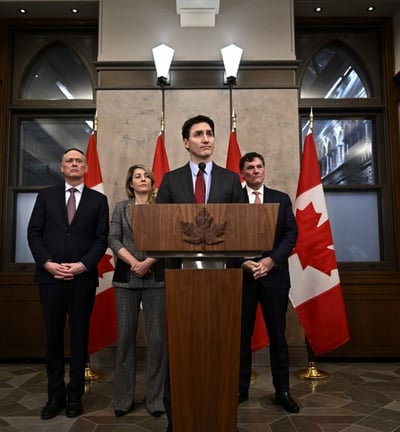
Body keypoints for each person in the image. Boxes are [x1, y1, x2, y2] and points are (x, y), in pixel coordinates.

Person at [156, 114, 244, 432]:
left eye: (210, 133)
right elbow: (160, 227)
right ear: (185, 142)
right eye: (198, 134)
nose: (206, 139)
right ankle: (176, 419)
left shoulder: (231, 180)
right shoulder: (170, 180)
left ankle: (220, 417)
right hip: (179, 279)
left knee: (220, 352)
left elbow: (243, 228)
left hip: (223, 281)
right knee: (179, 352)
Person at [27, 148, 109, 420]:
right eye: (69, 161)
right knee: (52, 337)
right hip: (49, 278)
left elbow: (101, 239)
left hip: (81, 279)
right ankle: (55, 397)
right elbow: (34, 233)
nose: (74, 164)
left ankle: (75, 397)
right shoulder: (46, 196)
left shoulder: (98, 200)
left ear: (86, 168)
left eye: (79, 161)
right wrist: (48, 264)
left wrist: (82, 265)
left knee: (79, 337)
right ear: (61, 168)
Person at [237, 151, 300, 413]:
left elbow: (290, 233)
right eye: (250, 167)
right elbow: (222, 233)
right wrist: (242, 260)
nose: (255, 171)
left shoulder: (280, 198)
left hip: (274, 276)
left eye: (259, 166)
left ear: (264, 170)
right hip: (242, 277)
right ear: (242, 172)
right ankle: (239, 391)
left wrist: (270, 261)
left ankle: (282, 391)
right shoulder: (233, 199)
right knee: (241, 337)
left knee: (278, 336)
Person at [108, 164, 166, 418]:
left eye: (147, 176)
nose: (143, 179)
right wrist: (134, 263)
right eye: (137, 176)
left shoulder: (161, 208)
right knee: (125, 339)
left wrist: (148, 262)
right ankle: (123, 398)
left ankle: (156, 400)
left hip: (156, 278)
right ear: (130, 184)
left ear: (153, 182)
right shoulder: (121, 207)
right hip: (126, 278)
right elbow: (113, 239)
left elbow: (169, 238)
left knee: (156, 340)